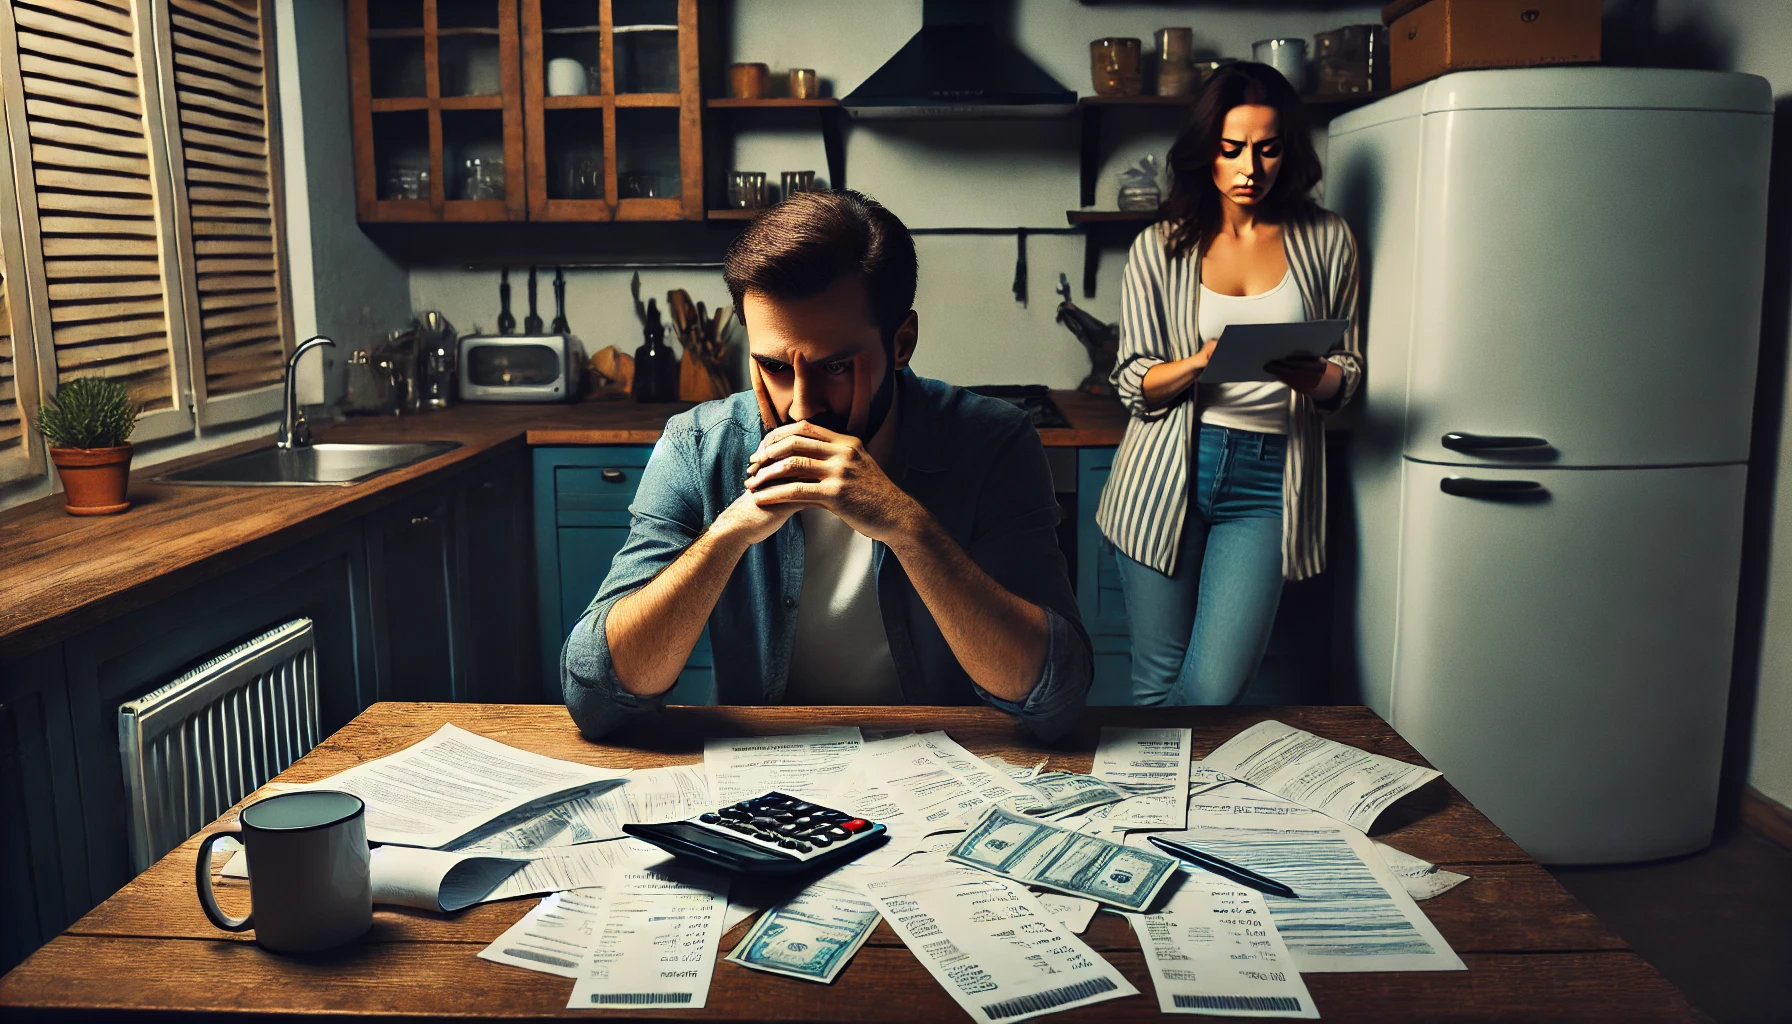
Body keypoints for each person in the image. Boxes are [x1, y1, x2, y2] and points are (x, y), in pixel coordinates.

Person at [563, 190, 1092, 739]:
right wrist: (729, 534)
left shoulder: (994, 442)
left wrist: (907, 526)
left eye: (836, 366)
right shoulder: (698, 445)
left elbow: (1054, 699)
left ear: (902, 342)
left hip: (949, 770)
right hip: (762, 786)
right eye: (773, 365)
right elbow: (597, 700)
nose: (800, 405)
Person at [1097, 62, 1363, 707]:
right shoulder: (1158, 246)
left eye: (1268, 149)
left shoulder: (1327, 240)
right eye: (1232, 149)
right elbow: (1134, 383)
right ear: (1205, 153)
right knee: (1155, 686)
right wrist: (1200, 362)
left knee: (1213, 694)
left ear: (1287, 151)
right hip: (1165, 474)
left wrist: (1318, 377)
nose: (1251, 167)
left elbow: (1349, 375)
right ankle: (1149, 810)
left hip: (1271, 483)